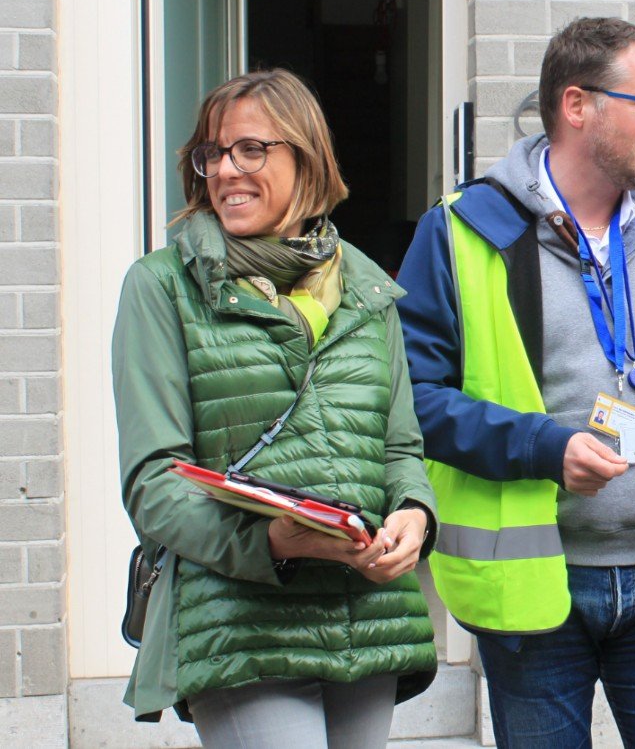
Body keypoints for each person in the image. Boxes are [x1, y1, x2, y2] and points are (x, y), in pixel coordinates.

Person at [396, 16, 635, 747]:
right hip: (539, 589)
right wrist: (545, 446)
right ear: (577, 105)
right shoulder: (460, 231)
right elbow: (414, 400)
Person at [112, 69, 438, 745]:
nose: (225, 170)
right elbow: (153, 483)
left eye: (250, 150)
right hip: (239, 624)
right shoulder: (162, 288)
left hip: (364, 621)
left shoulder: (367, 288)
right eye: (213, 153)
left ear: (306, 158)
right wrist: (270, 542)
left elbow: (400, 447)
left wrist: (413, 513)